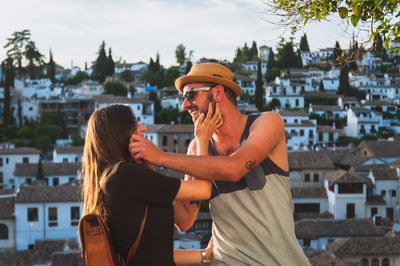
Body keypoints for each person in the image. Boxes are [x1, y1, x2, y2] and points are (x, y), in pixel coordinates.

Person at [129, 63, 311, 265]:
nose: (184, 106)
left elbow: (234, 168)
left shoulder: (267, 122)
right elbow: (185, 219)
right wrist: (147, 167)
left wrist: (160, 157)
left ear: (217, 92)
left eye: (190, 96)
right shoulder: (196, 148)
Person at [81, 104, 221, 265]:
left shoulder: (113, 179)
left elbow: (184, 220)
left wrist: (204, 255)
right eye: (134, 123)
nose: (143, 128)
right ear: (120, 133)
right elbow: (203, 190)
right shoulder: (126, 175)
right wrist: (202, 141)